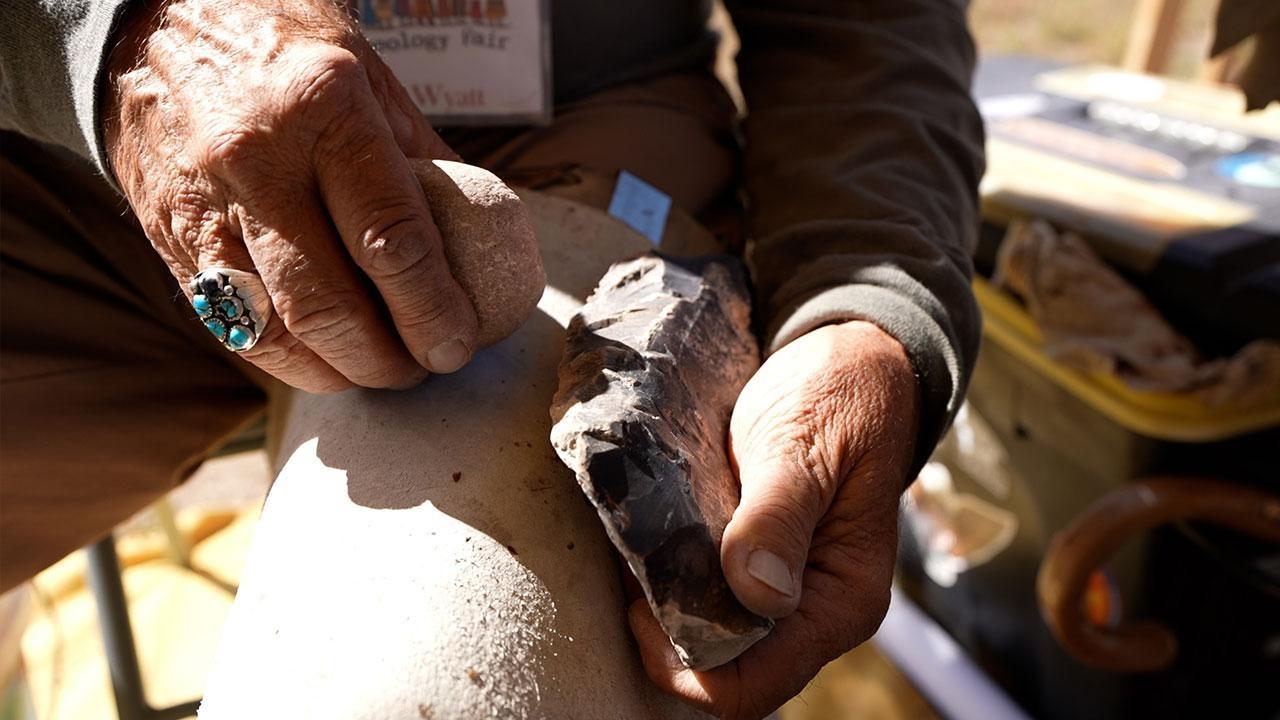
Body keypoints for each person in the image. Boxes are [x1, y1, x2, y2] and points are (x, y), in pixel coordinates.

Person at [1, 0, 983, 716]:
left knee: (438, 690)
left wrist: (871, 295)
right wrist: (106, 37)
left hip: (562, 128)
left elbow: (868, 26)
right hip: (73, 161)